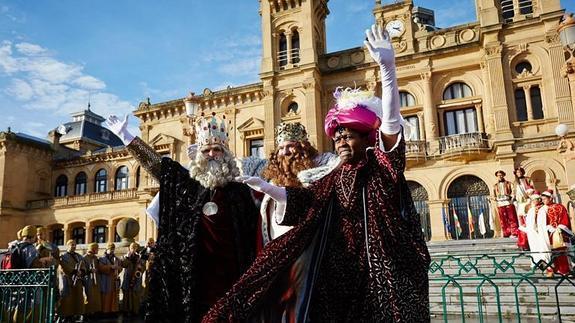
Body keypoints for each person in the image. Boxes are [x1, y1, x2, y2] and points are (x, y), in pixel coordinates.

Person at [204, 24, 430, 322]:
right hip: (338, 273)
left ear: (366, 138)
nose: (341, 141)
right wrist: (272, 190)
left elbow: (390, 129)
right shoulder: (334, 177)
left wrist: (388, 71)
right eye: (337, 137)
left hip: (382, 275)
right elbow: (308, 202)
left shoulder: (379, 169)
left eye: (348, 136)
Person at [106, 112, 260, 322]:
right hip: (194, 278)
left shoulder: (240, 192)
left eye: (217, 149)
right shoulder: (189, 186)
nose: (212, 154)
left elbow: (253, 237)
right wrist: (126, 137)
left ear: (226, 154)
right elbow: (159, 167)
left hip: (230, 278)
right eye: (206, 150)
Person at [540, 189, 573, 275]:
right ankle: (556, 269)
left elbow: (565, 219)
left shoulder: (560, 207)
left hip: (560, 233)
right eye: (542, 199)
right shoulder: (543, 209)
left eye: (544, 199)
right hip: (549, 234)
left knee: (561, 252)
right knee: (553, 252)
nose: (543, 201)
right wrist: (547, 227)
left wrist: (559, 228)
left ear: (550, 198)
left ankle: (565, 270)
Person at [519, 191, 550, 273]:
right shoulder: (531, 209)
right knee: (534, 248)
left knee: (541, 248)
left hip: (539, 232)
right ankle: (535, 263)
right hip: (531, 233)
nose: (533, 201)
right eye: (532, 199)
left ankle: (545, 265)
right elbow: (528, 221)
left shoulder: (542, 208)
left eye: (535, 199)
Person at [57, 240, 85, 322]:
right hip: (67, 280)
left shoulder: (79, 256)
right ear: (68, 246)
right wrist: (74, 271)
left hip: (78, 280)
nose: (74, 246)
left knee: (78, 298)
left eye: (75, 245)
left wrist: (81, 271)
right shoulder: (63, 256)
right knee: (67, 298)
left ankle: (75, 314)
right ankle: (65, 315)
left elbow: (83, 265)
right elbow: (63, 267)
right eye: (72, 245)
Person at [120, 242, 145, 317]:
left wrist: (140, 268)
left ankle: (135, 310)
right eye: (132, 248)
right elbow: (123, 264)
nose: (133, 249)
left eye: (135, 248)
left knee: (135, 294)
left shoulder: (139, 257)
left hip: (136, 279)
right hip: (128, 278)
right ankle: (127, 310)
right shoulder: (125, 256)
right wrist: (128, 257)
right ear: (129, 248)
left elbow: (143, 267)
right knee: (127, 294)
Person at [493, 170, 519, 238]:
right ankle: (506, 233)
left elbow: (513, 192)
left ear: (503, 175)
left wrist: (511, 197)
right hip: (500, 204)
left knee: (512, 218)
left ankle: (514, 232)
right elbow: (494, 195)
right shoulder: (495, 186)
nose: (500, 176)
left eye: (501, 175)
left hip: (508, 202)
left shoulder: (509, 183)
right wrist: (495, 198)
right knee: (503, 219)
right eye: (498, 175)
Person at [99, 242, 121, 315]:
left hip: (114, 280)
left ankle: (113, 311)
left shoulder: (117, 259)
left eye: (113, 249)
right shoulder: (102, 259)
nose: (112, 251)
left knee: (114, 295)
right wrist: (110, 267)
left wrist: (118, 268)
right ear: (107, 249)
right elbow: (100, 268)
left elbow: (120, 268)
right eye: (110, 249)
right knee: (106, 295)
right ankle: (105, 312)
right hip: (106, 280)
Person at [513, 168, 533, 249]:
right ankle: (522, 237)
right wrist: (514, 199)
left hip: (527, 201)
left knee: (527, 217)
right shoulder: (515, 182)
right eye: (517, 172)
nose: (519, 173)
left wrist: (530, 196)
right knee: (520, 218)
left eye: (520, 172)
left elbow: (531, 188)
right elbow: (514, 191)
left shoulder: (527, 179)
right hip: (519, 202)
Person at [83, 242, 102, 318]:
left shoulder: (95, 258)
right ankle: (87, 313)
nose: (98, 250)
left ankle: (94, 312)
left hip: (96, 280)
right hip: (88, 280)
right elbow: (82, 269)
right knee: (89, 296)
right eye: (97, 249)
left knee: (95, 296)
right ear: (93, 249)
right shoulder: (84, 258)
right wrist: (90, 271)